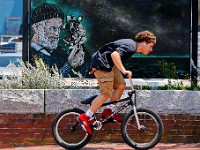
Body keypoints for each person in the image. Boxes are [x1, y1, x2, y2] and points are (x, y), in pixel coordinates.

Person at [78, 30, 156, 134]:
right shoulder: (131, 47)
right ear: (144, 42)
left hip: (108, 64)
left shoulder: (132, 47)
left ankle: (108, 111)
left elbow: (114, 56)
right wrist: (124, 71)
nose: (151, 49)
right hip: (101, 64)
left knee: (121, 85)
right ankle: (86, 116)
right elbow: (115, 55)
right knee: (106, 93)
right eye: (150, 46)